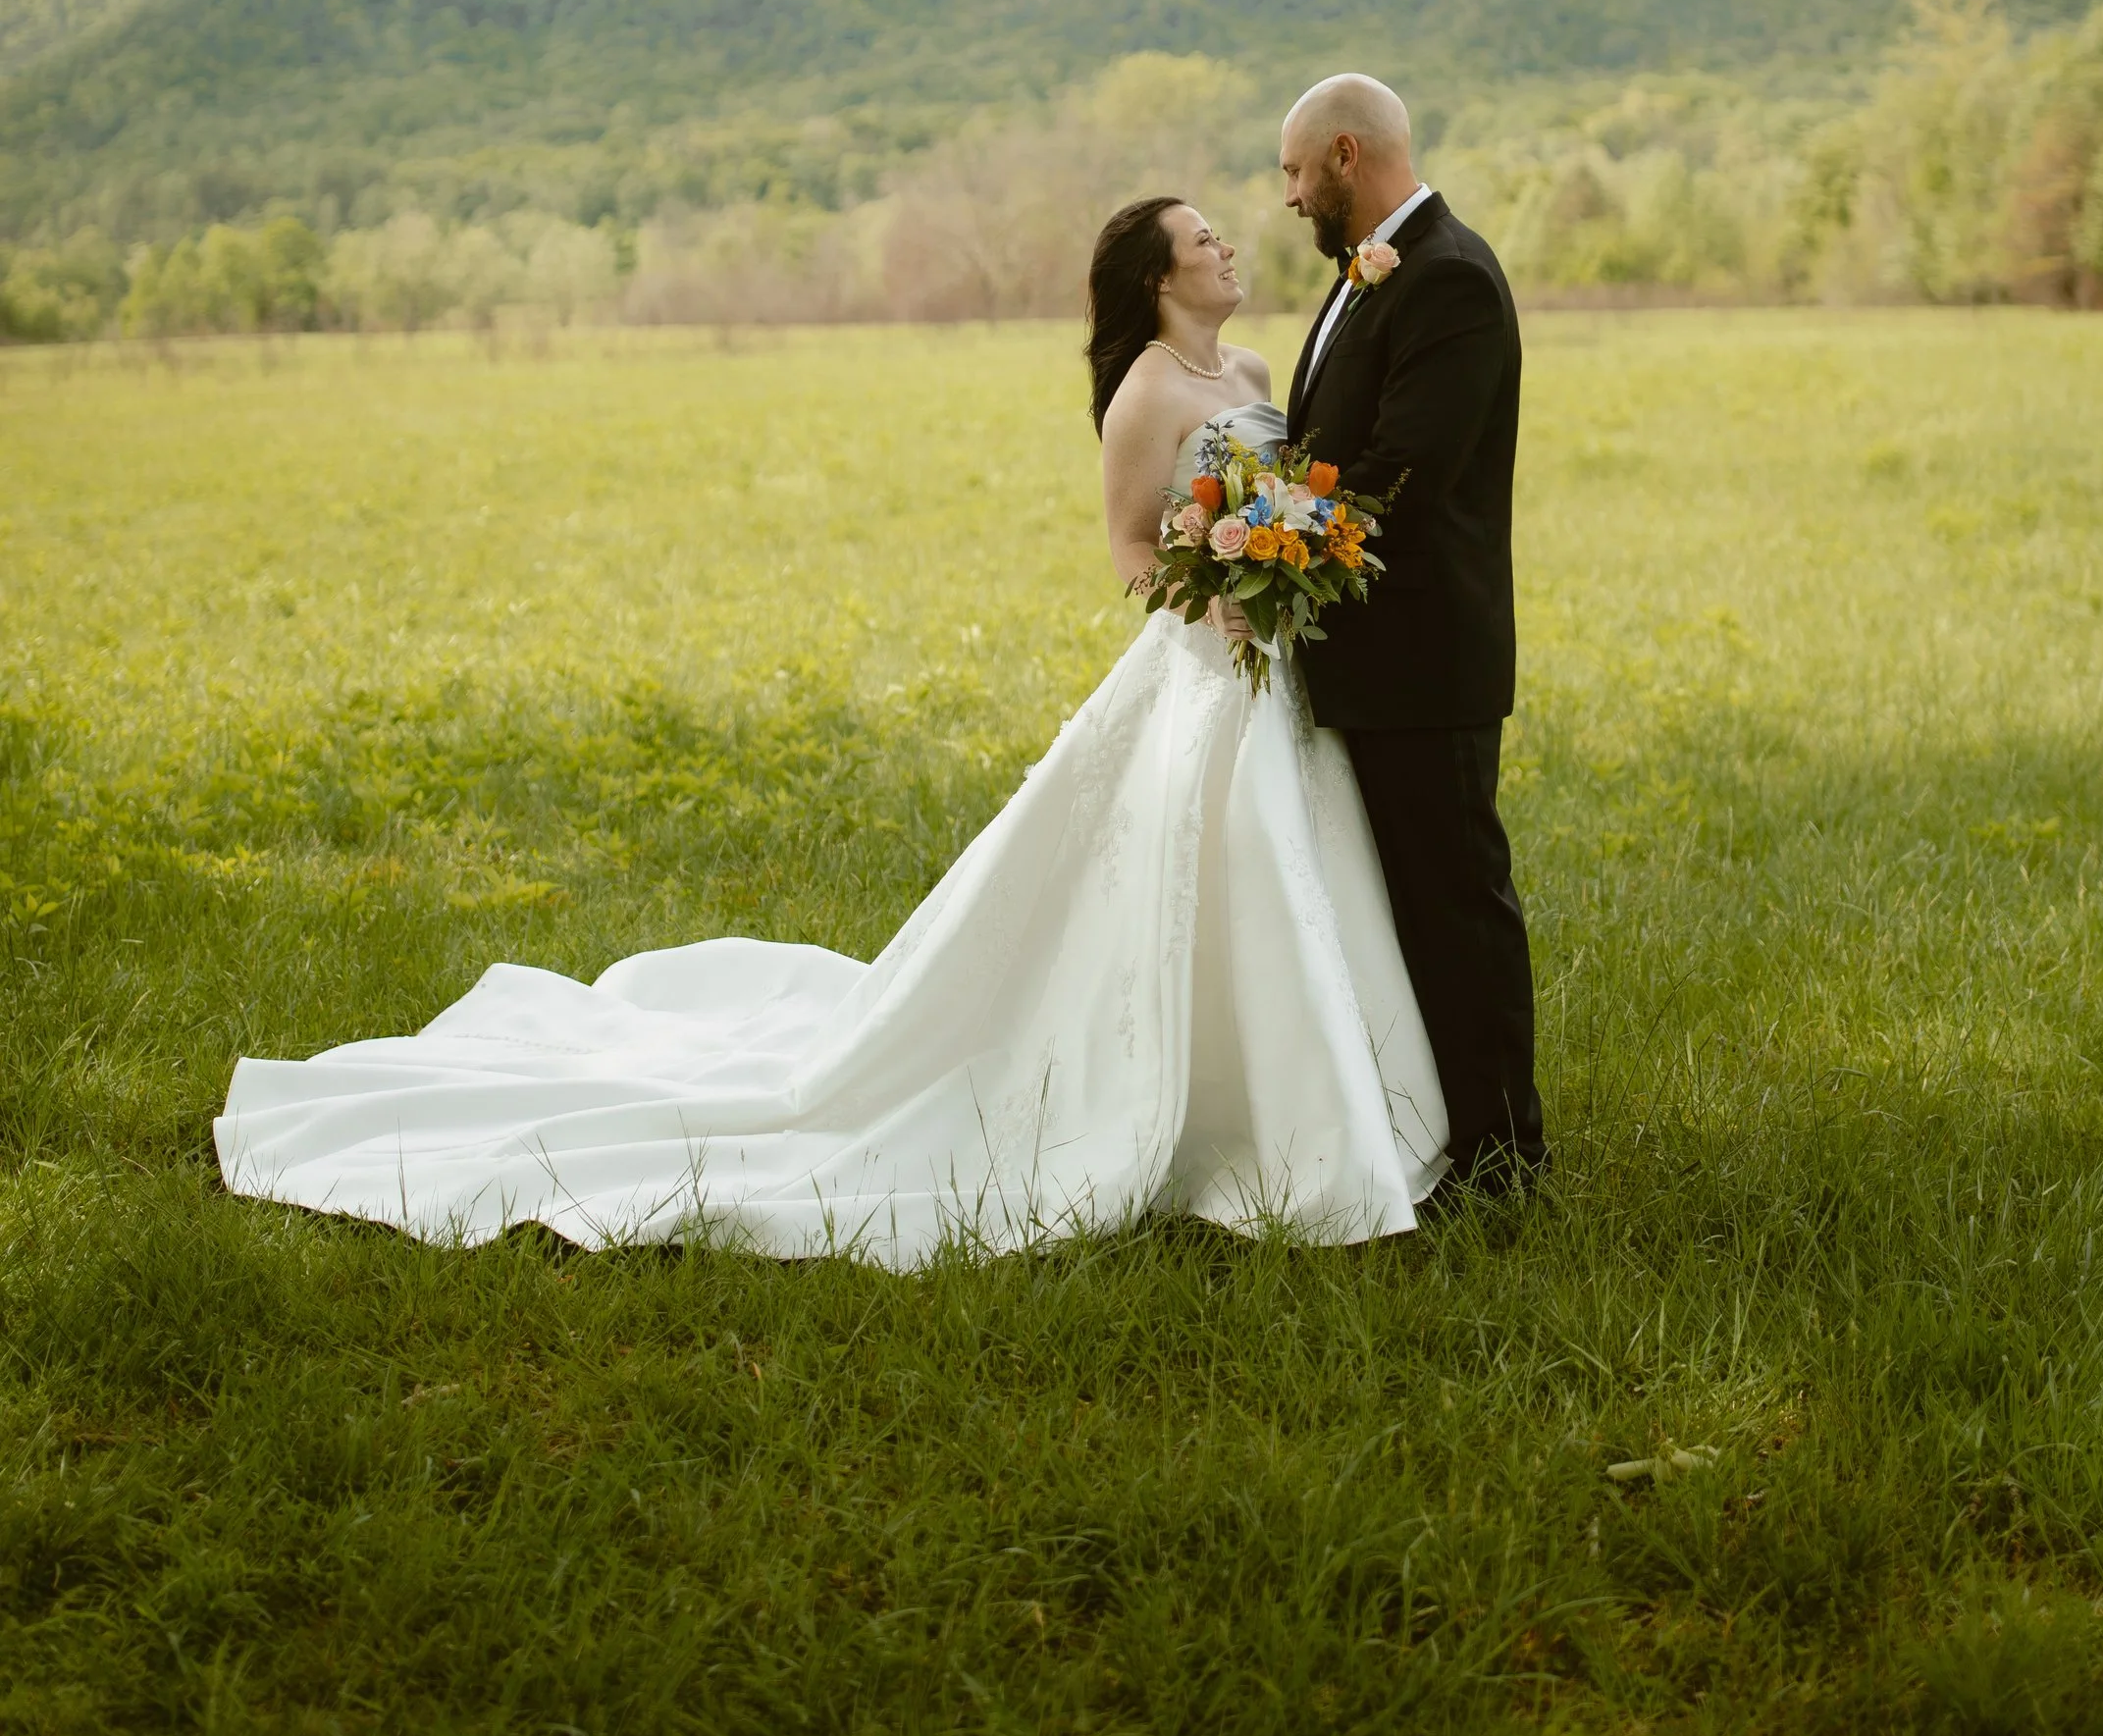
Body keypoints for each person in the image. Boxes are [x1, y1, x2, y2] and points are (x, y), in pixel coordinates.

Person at [213, 197, 1447, 1267]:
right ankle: (1204, 1111)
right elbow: (1134, 548)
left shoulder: (1248, 373)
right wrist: (1219, 590)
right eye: (1202, 240)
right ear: (1155, 278)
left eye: (1223, 233)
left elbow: (1292, 491)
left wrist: (1289, 566)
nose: (1228, 247)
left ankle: (1329, 1102)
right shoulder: (1143, 395)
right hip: (1197, 664)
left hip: (1273, 665)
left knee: (1285, 869)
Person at [1279, 73, 1545, 1196]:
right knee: (1409, 908)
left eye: (1294, 171)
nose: (1287, 197)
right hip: (1370, 662)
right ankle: (1439, 1124)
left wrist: (1268, 542)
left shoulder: (1447, 278)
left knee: (1454, 905)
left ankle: (1504, 1155)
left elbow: (1402, 472)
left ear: (1346, 153)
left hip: (1424, 658)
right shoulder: (1372, 274)